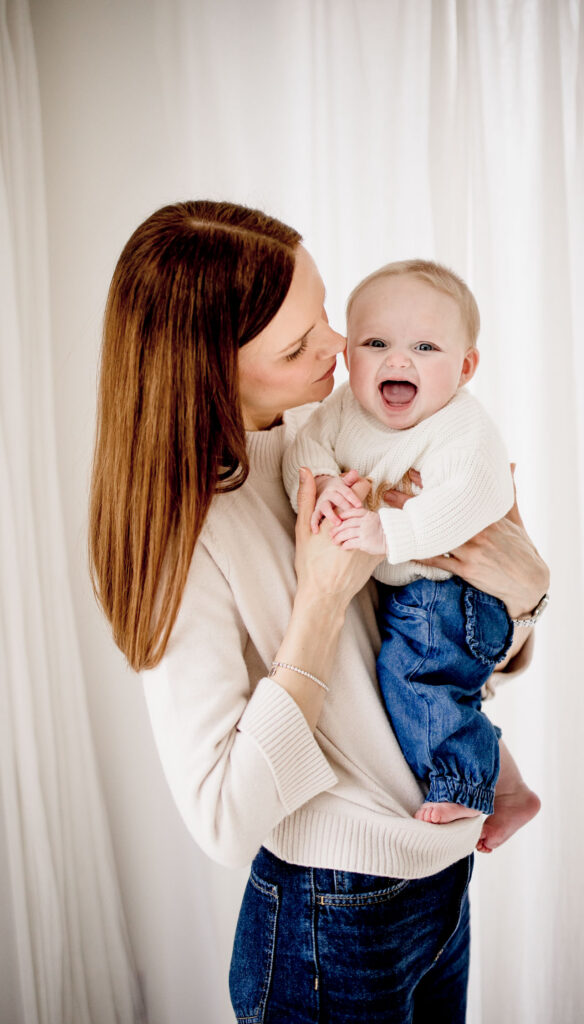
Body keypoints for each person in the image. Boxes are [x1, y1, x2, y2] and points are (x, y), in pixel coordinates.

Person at [89, 201, 549, 1024]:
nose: (341, 348)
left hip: (439, 877)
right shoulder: (181, 538)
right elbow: (225, 821)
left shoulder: (333, 428)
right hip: (329, 919)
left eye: (325, 316)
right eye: (299, 345)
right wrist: (321, 599)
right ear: (211, 365)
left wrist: (526, 593)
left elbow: (430, 634)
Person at [283, 260, 544, 840]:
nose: (397, 361)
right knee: (432, 693)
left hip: (455, 595)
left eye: (425, 347)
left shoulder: (461, 426)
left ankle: (462, 786)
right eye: (376, 343)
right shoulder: (340, 409)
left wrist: (390, 533)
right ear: (349, 355)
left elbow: (476, 496)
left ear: (466, 366)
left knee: (418, 677)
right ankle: (508, 790)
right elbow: (304, 450)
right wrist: (323, 483)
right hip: (413, 595)